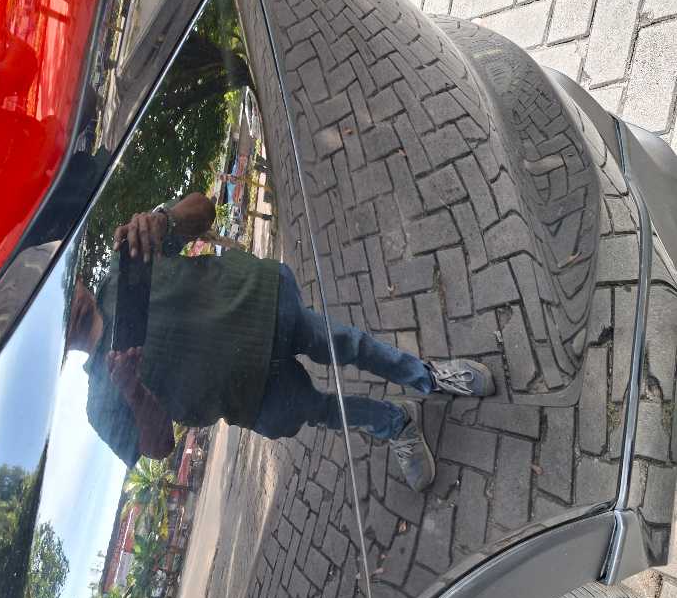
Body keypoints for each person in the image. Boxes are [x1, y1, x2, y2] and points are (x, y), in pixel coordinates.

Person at [68, 193, 495, 492]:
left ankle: (428, 377)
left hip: (262, 306)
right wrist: (134, 393)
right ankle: (396, 423)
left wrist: (163, 220)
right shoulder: (100, 403)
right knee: (325, 411)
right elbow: (161, 446)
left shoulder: (127, 257)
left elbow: (204, 209)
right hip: (250, 397)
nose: (70, 303)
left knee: (350, 344)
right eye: (58, 309)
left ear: (77, 276)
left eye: (66, 289)